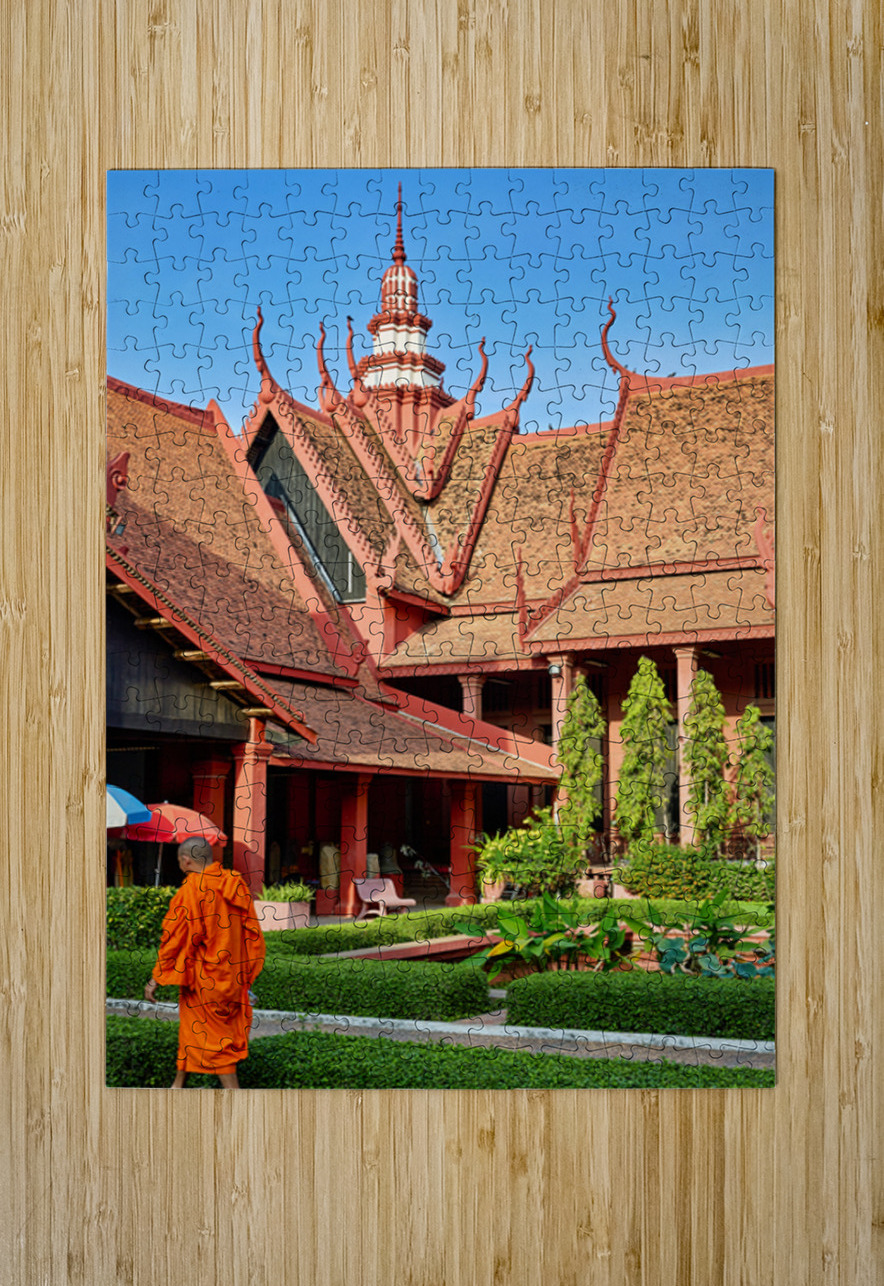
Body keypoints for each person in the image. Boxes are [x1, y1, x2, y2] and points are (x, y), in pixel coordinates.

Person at [144, 838, 266, 1088]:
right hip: (232, 978)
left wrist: (156, 977)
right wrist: (246, 974)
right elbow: (253, 935)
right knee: (192, 1033)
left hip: (205, 982)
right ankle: (177, 1085)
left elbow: (174, 942)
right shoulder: (235, 883)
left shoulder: (190, 891)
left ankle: (236, 1098)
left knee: (217, 1046)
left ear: (186, 860)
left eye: (179, 861)